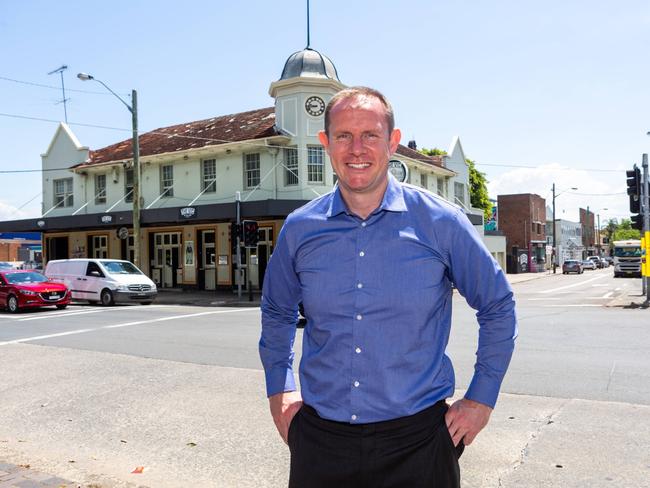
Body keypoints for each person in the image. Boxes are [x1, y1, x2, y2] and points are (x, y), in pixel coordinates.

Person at [259, 86, 517, 488]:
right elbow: (277, 312)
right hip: (321, 443)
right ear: (326, 143)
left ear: (392, 142)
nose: (356, 148)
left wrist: (481, 398)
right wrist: (280, 390)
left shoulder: (441, 223)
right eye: (343, 135)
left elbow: (497, 305)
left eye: (370, 135)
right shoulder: (300, 229)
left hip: (419, 445)